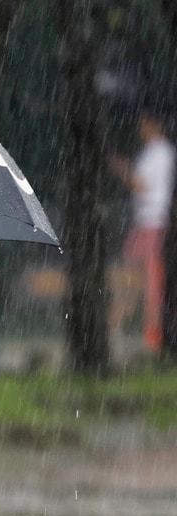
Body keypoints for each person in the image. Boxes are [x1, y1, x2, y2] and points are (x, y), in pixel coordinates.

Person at [111, 107, 175, 354]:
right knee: (134, 279)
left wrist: (122, 169)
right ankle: (121, 329)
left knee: (148, 282)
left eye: (143, 123)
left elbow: (141, 186)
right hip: (146, 224)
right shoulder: (156, 152)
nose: (139, 128)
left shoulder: (160, 153)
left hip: (154, 225)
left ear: (152, 125)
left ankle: (152, 335)